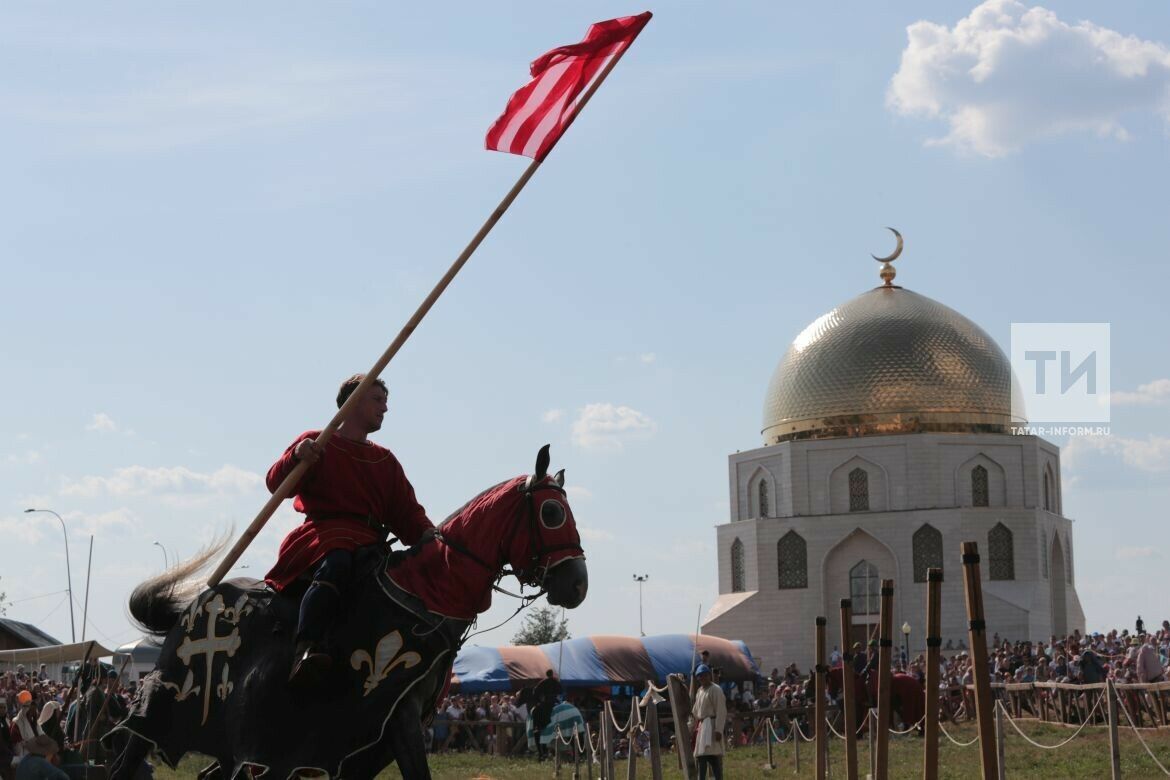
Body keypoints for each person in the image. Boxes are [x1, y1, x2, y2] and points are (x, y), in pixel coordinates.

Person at [263, 374, 437, 686]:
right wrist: (297, 456)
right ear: (354, 401)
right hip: (326, 534)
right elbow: (276, 483)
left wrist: (430, 537)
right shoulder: (319, 441)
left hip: (371, 543)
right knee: (339, 563)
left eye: (385, 401)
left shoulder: (384, 460)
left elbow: (407, 512)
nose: (385, 408)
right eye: (378, 400)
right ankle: (307, 646)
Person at [690, 665, 726, 780]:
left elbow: (721, 710)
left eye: (704, 675)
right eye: (699, 676)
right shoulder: (700, 691)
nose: (702, 678)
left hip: (712, 726)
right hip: (702, 727)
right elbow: (695, 712)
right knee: (706, 756)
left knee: (708, 756)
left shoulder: (715, 689)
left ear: (709, 675)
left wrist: (719, 729)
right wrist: (690, 727)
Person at [532, 670, 562, 760]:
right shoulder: (556, 681)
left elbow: (535, 691)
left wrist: (539, 699)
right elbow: (561, 691)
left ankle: (538, 726)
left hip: (546, 702)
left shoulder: (543, 682)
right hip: (555, 701)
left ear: (546, 674)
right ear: (552, 674)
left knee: (536, 711)